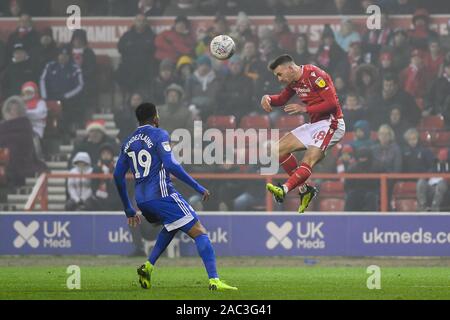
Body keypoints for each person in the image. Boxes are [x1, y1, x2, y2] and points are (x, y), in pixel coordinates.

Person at [113, 102, 237, 291]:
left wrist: (128, 208)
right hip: (162, 194)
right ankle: (214, 280)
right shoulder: (160, 134)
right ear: (155, 117)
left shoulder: (128, 141)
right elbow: (171, 165)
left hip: (142, 200)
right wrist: (197, 186)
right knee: (199, 230)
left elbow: (117, 176)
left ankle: (147, 267)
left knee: (173, 226)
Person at [262, 55, 346, 213]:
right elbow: (281, 99)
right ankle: (304, 190)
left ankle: (285, 189)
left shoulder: (316, 75)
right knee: (276, 150)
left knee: (308, 159)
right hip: (314, 124)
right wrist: (267, 98)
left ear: (291, 68)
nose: (279, 79)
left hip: (332, 123)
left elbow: (332, 104)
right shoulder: (294, 82)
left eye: (280, 74)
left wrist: (304, 109)